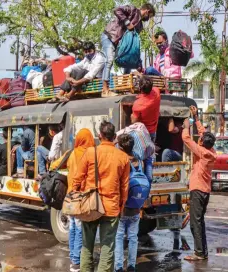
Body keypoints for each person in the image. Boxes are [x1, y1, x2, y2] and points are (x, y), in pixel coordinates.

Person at [72, 121, 130, 272]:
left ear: (100, 136)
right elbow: (124, 186)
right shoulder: (123, 157)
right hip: (112, 207)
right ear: (114, 136)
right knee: (107, 248)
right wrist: (121, 206)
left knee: (87, 245)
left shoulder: (90, 153)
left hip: (90, 205)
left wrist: (74, 197)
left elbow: (77, 178)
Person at [51, 128, 95, 272]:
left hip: (70, 196)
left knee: (72, 227)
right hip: (83, 198)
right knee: (79, 228)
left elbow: (54, 165)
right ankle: (76, 261)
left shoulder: (71, 153)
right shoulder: (92, 154)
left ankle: (73, 259)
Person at [182, 107, 217, 261]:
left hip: (197, 190)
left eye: (201, 139)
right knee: (199, 222)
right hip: (205, 191)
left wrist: (186, 126)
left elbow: (186, 139)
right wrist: (195, 117)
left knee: (195, 223)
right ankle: (202, 252)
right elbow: (203, 133)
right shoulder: (211, 151)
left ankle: (199, 253)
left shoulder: (201, 152)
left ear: (202, 143)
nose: (199, 138)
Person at [101, 3, 155, 96]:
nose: (148, 19)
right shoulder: (132, 9)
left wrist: (138, 62)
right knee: (109, 60)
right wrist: (127, 23)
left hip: (120, 45)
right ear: (147, 11)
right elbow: (117, 10)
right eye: (150, 16)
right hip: (110, 37)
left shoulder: (140, 26)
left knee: (129, 61)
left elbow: (134, 45)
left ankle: (124, 88)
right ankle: (105, 89)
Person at [115, 134, 150, 272]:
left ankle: (118, 267)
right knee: (133, 238)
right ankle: (131, 266)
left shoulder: (122, 161)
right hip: (136, 207)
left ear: (121, 147)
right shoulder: (139, 160)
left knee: (118, 237)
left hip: (123, 207)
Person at [131, 75, 161, 141]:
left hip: (142, 133)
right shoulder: (157, 92)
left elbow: (134, 121)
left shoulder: (137, 104)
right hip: (153, 132)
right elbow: (153, 88)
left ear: (139, 88)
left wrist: (132, 116)